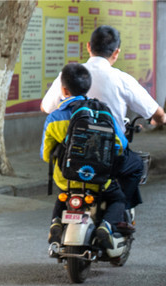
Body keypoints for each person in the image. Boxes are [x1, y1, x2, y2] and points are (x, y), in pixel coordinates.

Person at [41, 25, 166, 214]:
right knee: (135, 166)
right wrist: (162, 119)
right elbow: (155, 112)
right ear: (116, 53)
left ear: (88, 47)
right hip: (107, 155)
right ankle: (117, 214)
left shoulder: (68, 75)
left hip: (71, 158)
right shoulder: (121, 79)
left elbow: (46, 107)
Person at [42, 63, 130, 250]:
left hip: (68, 178)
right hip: (99, 180)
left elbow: (46, 154)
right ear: (87, 88)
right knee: (119, 199)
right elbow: (121, 145)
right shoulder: (102, 113)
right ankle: (106, 225)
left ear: (63, 90)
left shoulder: (54, 117)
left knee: (62, 197)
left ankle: (56, 222)